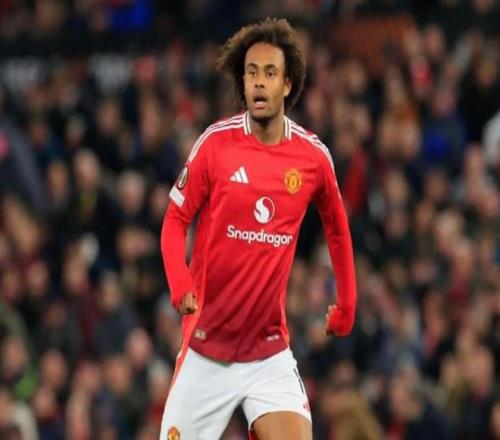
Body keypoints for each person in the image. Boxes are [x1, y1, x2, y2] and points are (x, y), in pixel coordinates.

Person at [160, 18, 357, 440]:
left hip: (268, 353)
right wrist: (179, 284)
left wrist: (347, 303)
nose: (259, 82)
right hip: (206, 350)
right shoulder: (215, 144)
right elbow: (175, 220)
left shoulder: (312, 158)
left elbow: (338, 231)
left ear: (288, 84)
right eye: (251, 73)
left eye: (269, 73)